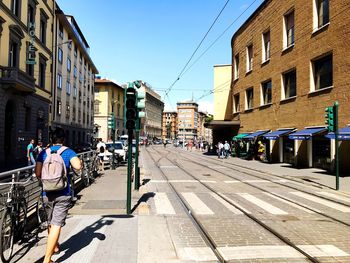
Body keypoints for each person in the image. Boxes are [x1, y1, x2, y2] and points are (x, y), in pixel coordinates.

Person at [35, 127, 82, 263]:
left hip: (46, 192)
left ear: (51, 139)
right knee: (56, 224)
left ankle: (54, 247)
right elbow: (78, 166)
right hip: (63, 193)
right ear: (64, 139)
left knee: (51, 222)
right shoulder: (68, 152)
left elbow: (38, 173)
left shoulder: (43, 153)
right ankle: (47, 259)